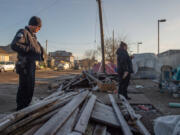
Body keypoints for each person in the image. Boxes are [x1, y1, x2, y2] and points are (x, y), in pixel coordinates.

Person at [11, 16, 44, 110]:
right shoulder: (23, 32)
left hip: (31, 65)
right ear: (33, 25)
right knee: (24, 88)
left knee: (30, 87)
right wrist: (30, 49)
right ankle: (21, 109)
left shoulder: (33, 37)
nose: (39, 29)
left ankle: (26, 108)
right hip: (25, 65)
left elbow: (37, 49)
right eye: (38, 27)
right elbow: (15, 45)